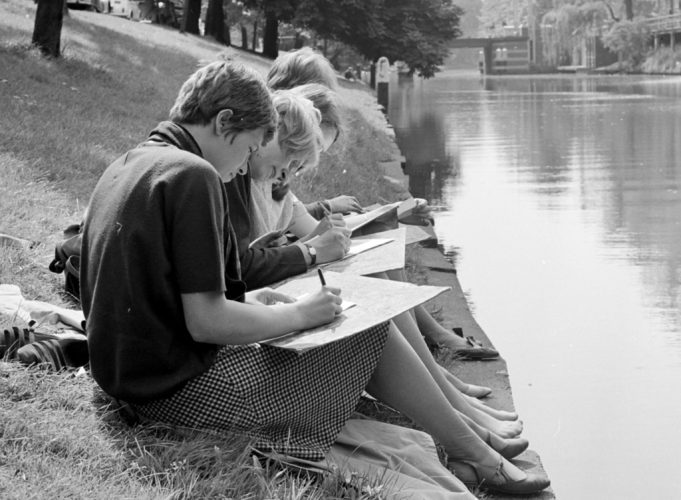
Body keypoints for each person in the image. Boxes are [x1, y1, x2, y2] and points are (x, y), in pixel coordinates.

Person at [81, 60, 550, 496]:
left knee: (348, 319)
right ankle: (473, 451)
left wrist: (267, 304)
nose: (244, 167)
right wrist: (299, 314)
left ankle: (469, 440)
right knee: (367, 327)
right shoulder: (193, 175)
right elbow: (207, 322)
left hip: (130, 382)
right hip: (177, 397)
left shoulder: (131, 162)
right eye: (246, 150)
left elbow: (171, 296)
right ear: (223, 123)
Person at [266, 48, 501, 362]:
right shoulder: (268, 164)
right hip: (281, 272)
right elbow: (287, 223)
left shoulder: (272, 160)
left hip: (288, 255)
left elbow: (289, 213)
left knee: (374, 245)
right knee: (371, 255)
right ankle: (431, 354)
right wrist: (384, 216)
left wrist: (354, 213)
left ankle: (429, 352)